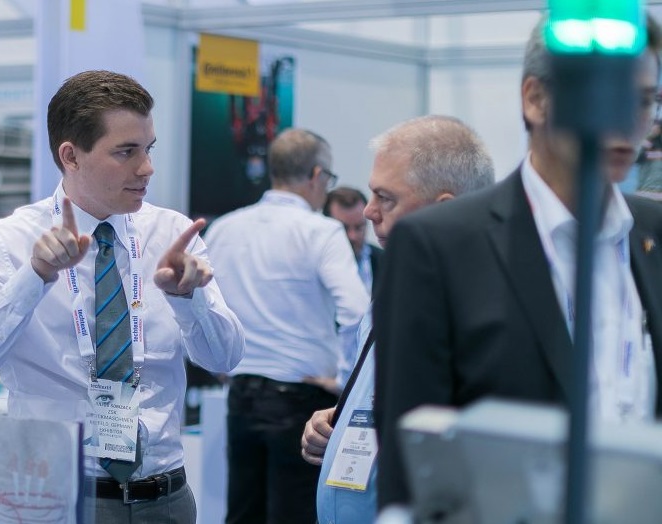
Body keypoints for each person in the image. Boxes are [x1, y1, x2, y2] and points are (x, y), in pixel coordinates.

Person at [374, 14, 662, 513]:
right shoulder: (441, 247)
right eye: (600, 93)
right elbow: (409, 464)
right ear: (535, 98)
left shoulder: (652, 234)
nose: (624, 121)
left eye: (643, 101)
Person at [0, 70, 244, 523]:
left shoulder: (171, 234)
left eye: (149, 148)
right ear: (71, 156)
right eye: (126, 151)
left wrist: (188, 299)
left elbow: (225, 358)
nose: (147, 168)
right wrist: (33, 278)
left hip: (164, 500)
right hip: (52, 500)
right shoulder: (7, 243)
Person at [301, 116, 495, 524]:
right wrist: (337, 417)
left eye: (385, 198)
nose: (369, 212)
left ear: (446, 209)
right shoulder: (394, 294)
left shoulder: (487, 319)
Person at [204, 128, 370, 524]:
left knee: (242, 514)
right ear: (317, 176)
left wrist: (218, 366)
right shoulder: (321, 230)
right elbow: (356, 312)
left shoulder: (224, 228)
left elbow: (203, 304)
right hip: (301, 399)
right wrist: (346, 383)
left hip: (239, 394)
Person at [323, 186, 384, 295]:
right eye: (343, 228)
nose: (353, 236)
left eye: (359, 227)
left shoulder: (386, 261)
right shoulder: (312, 264)